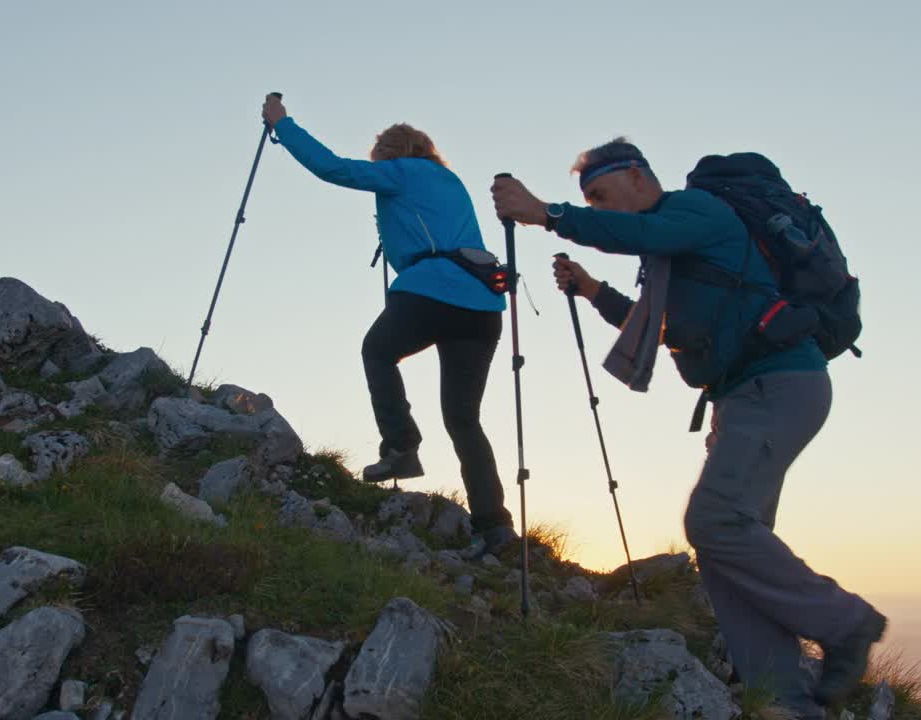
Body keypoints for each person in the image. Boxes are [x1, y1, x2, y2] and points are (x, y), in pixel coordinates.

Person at [491, 137, 887, 718]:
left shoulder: (697, 211)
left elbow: (639, 236)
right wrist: (593, 290)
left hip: (777, 386)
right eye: (588, 201)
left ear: (635, 175)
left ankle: (846, 623)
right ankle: (783, 703)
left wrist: (548, 214)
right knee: (728, 548)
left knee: (715, 520)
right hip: (745, 397)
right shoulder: (672, 249)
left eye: (600, 194)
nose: (597, 208)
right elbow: (658, 327)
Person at [262, 95, 517, 556]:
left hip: (431, 288)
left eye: (379, 157)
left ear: (391, 153)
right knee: (463, 418)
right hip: (482, 305)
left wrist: (283, 125)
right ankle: (495, 527)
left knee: (378, 351)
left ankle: (401, 446)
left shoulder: (403, 171)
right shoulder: (448, 180)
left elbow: (333, 168)